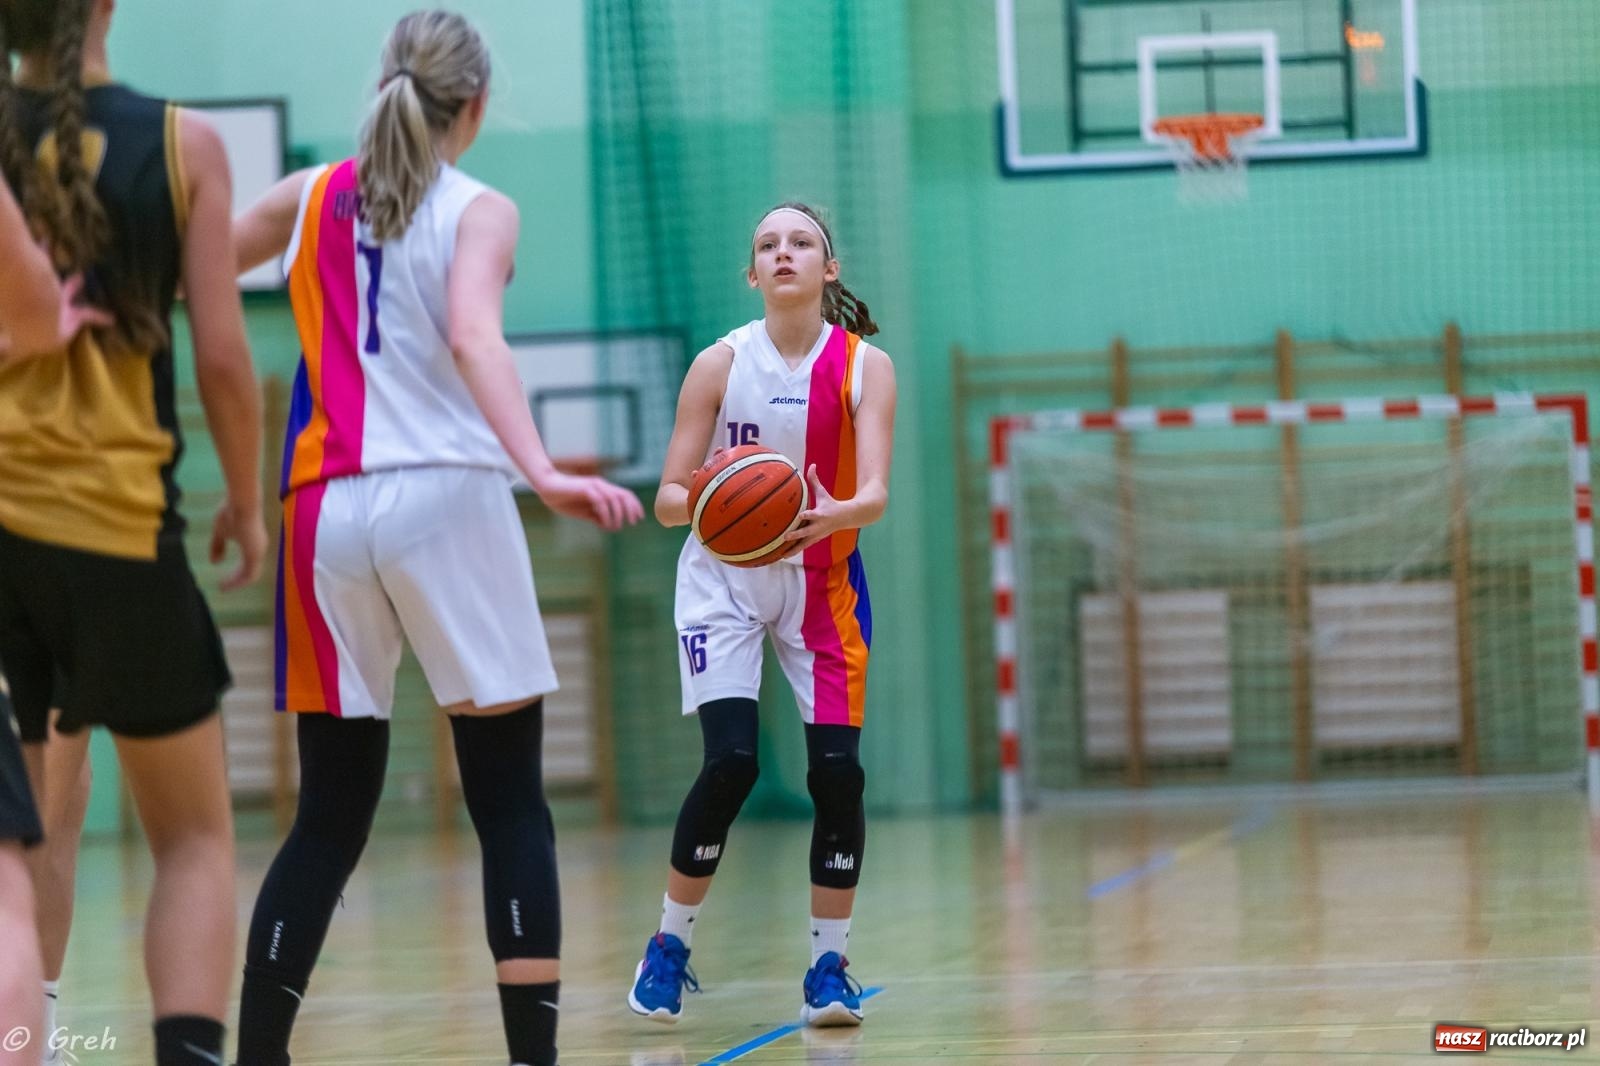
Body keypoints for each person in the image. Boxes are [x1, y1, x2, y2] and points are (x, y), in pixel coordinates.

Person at [229, 11, 643, 1066]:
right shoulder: (478, 208)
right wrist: (543, 468)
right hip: (445, 498)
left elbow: (197, 265)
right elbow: (471, 333)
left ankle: (261, 1053)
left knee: (328, 811)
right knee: (508, 801)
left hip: (323, 509)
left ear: (385, 85)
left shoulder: (308, 194)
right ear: (478, 106)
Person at [0, 1, 267, 1064]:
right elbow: (222, 362)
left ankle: (38, 1032)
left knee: (23, 844)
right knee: (195, 838)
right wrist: (245, 501)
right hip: (118, 530)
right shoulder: (182, 144)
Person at [626, 201, 897, 1027]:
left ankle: (828, 965)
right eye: (768, 246)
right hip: (725, 582)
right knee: (732, 762)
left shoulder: (863, 367)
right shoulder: (719, 364)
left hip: (823, 582)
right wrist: (714, 497)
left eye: (801, 242)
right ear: (753, 274)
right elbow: (669, 499)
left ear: (829, 267)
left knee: (838, 776)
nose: (784, 253)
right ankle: (668, 946)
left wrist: (831, 514)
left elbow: (876, 496)